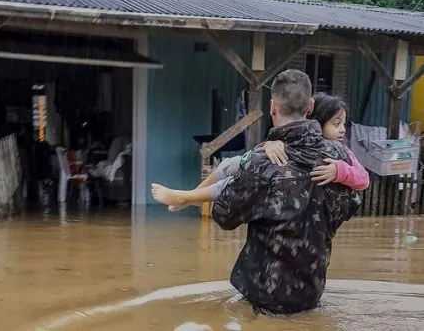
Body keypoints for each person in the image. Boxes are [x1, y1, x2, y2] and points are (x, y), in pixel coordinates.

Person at [156, 69, 362, 315]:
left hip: (265, 297)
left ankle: (185, 196)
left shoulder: (262, 161)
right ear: (311, 107)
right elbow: (352, 204)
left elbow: (224, 215)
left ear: (273, 107)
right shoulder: (339, 157)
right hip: (313, 293)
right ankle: (185, 196)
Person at [151, 93, 369, 209]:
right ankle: (189, 197)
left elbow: (363, 179)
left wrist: (339, 171)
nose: (341, 130)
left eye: (343, 124)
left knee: (235, 181)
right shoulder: (294, 140)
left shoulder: (341, 153)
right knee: (234, 163)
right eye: (336, 123)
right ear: (315, 119)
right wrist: (268, 144)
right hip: (289, 192)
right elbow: (262, 155)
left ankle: (187, 198)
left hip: (295, 197)